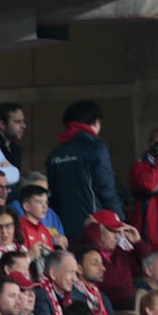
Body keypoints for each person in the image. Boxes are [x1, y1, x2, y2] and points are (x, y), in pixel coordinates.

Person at [46, 100, 123, 245]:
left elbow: (53, 196)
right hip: (93, 226)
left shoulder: (54, 155)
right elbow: (106, 189)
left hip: (62, 229)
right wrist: (120, 221)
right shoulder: (95, 148)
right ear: (95, 121)